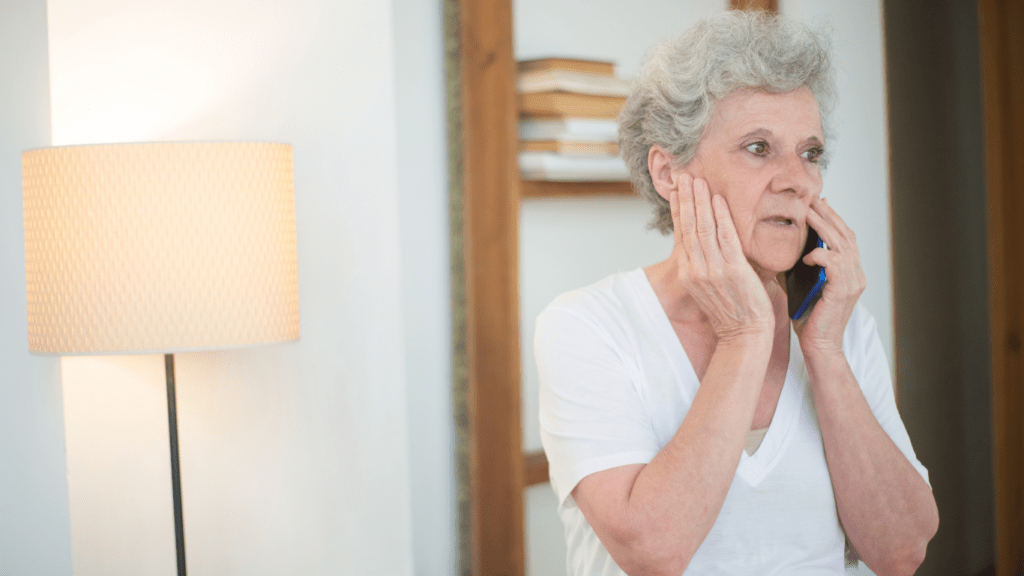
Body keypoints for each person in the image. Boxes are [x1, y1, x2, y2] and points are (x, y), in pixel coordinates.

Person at [535, 10, 938, 576]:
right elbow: (654, 552)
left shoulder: (838, 328)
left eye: (810, 151)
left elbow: (902, 553)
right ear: (669, 174)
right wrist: (746, 334)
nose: (798, 179)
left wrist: (824, 352)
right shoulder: (586, 326)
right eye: (758, 147)